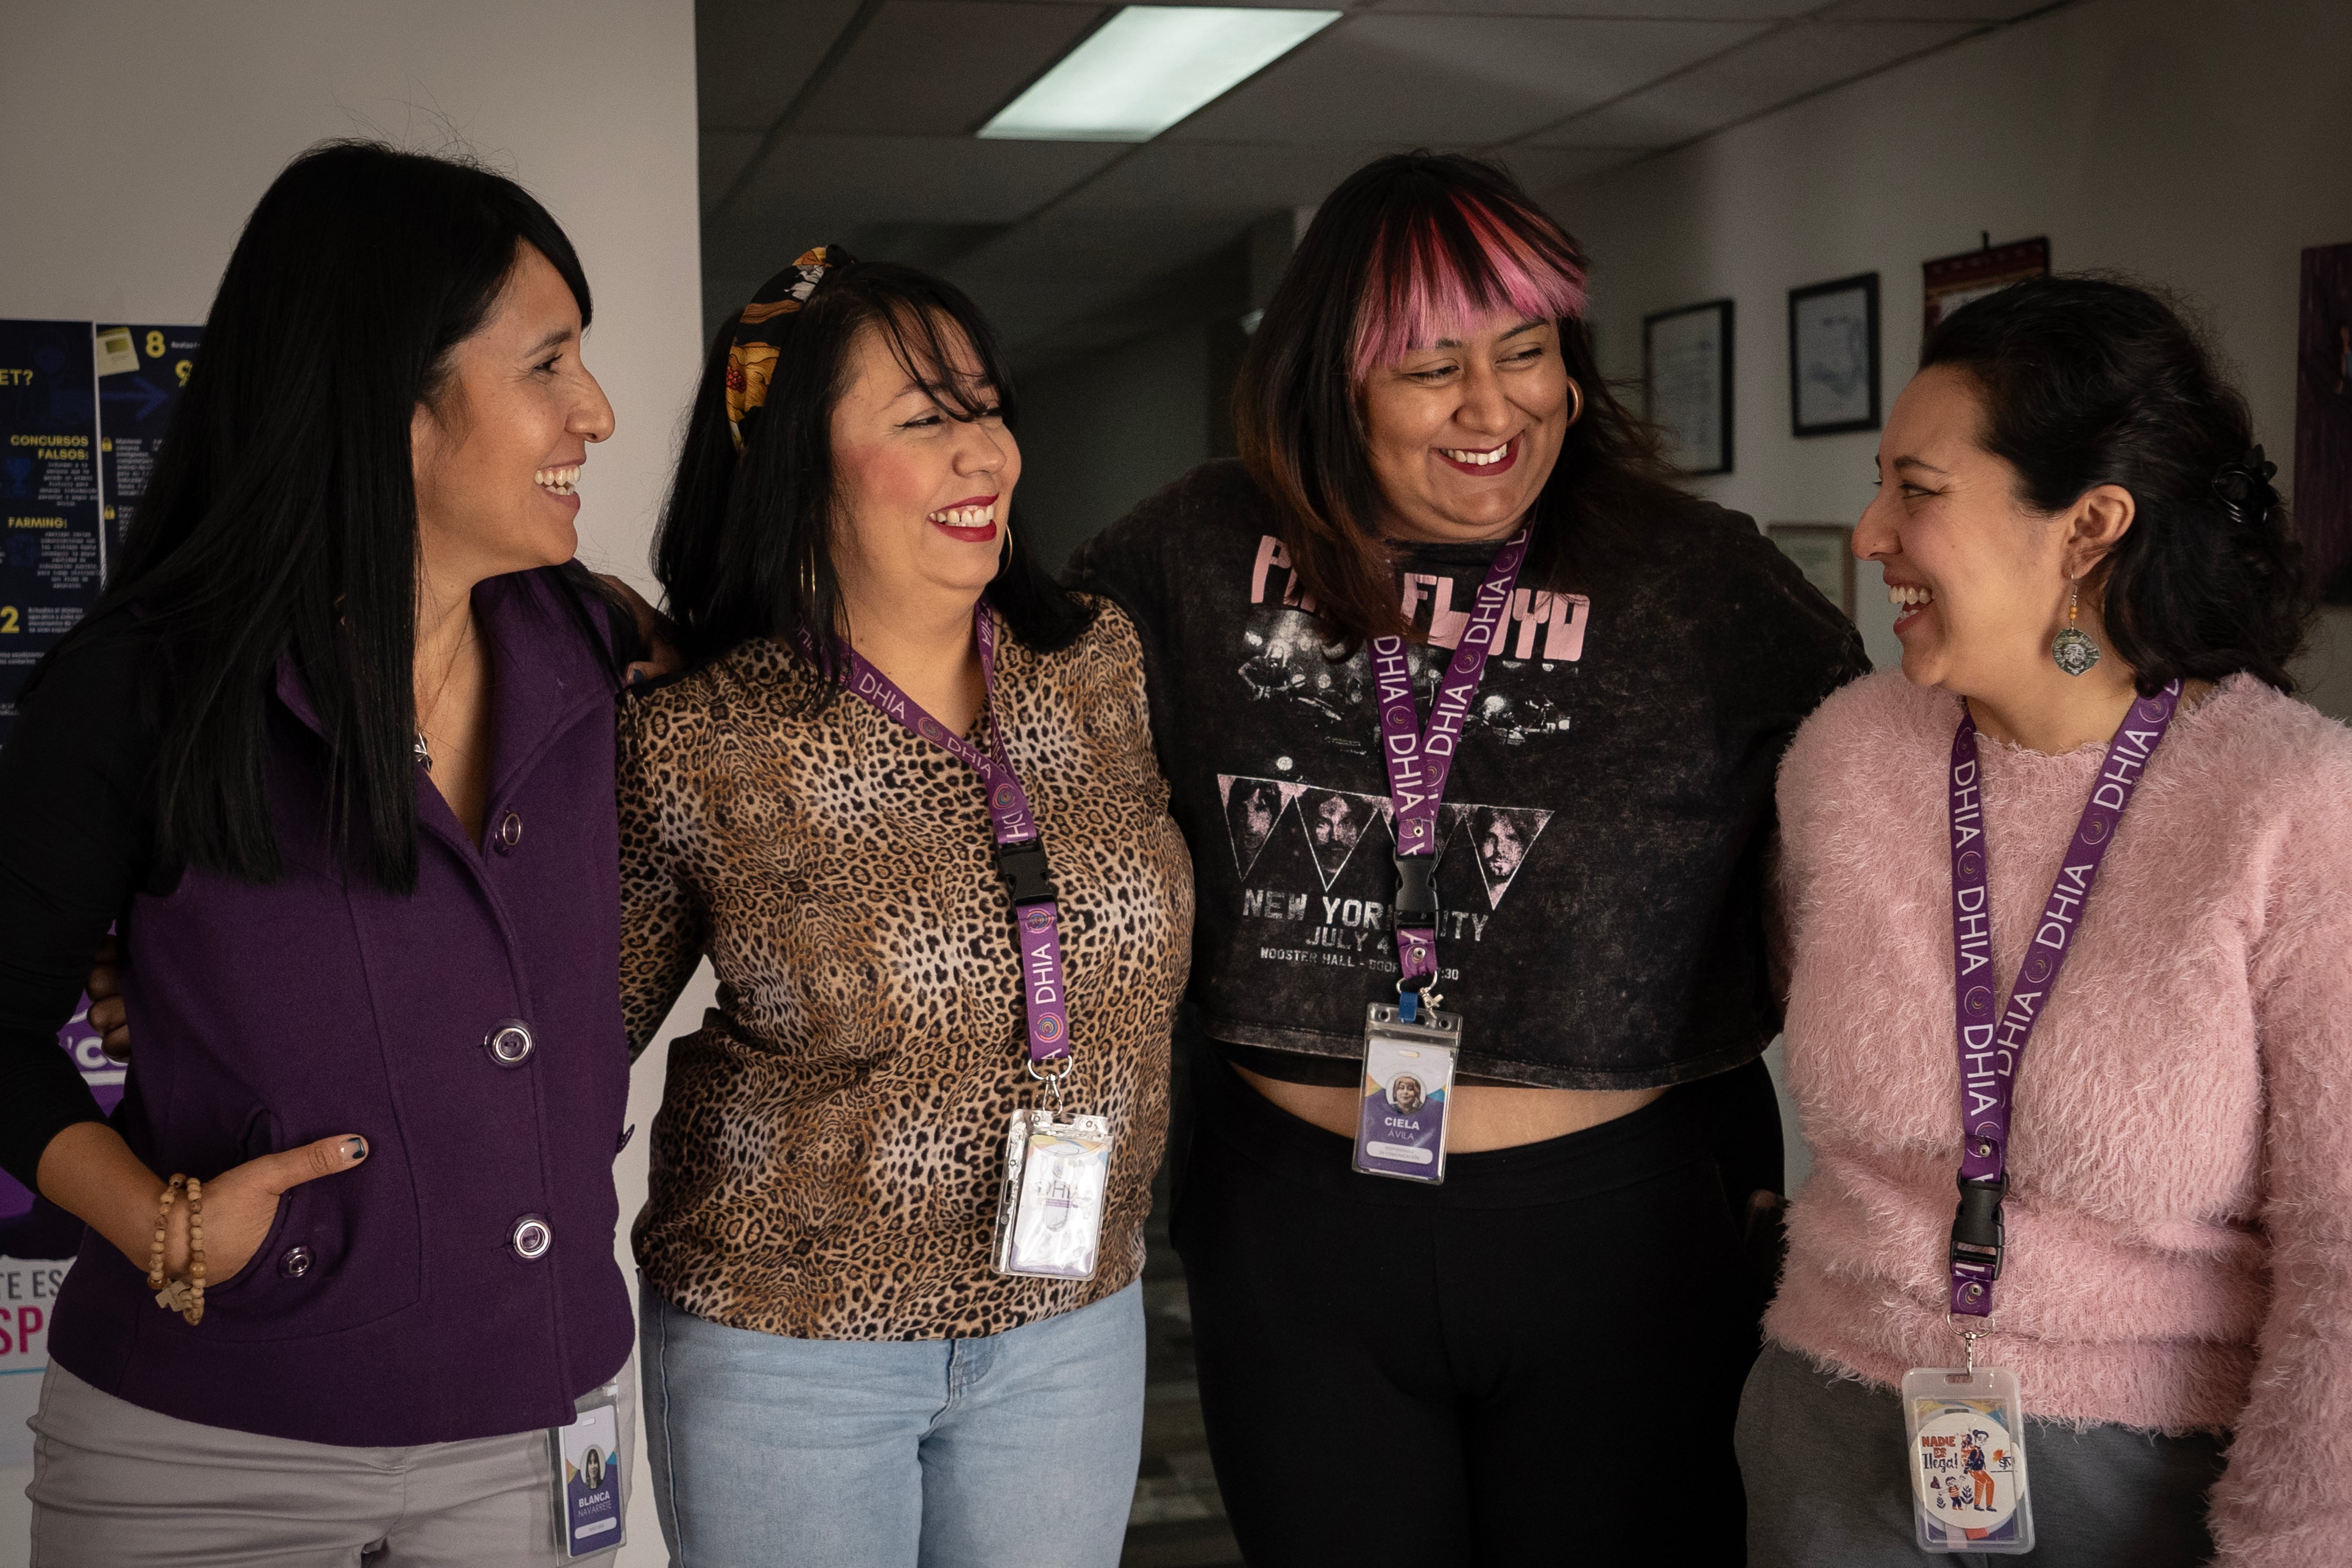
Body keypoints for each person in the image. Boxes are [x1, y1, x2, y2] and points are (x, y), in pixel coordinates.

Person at [1065, 151, 1865, 1563]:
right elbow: (986, 704)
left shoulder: (1696, 577)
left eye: (1529, 352)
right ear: (1335, 382)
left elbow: (1912, 775)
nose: (1495, 409)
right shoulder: (1191, 550)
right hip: (1297, 1225)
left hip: (1617, 1232)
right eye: (1432, 369)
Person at [0, 142, 646, 1562]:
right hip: (202, 1463)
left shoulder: (598, 654)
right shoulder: (143, 693)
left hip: (534, 1439)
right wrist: (157, 1219)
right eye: (548, 365)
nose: (593, 411)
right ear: (390, 401)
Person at [1742, 276, 2346, 1567]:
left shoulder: (2296, 803)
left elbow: (2346, 1254)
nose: (1867, 534)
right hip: (1833, 1444)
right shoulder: (1847, 759)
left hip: (2147, 1484)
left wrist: (2303, 1542)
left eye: (1918, 490)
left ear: (2088, 528)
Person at [620, 249, 1193, 1566]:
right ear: (793, 465)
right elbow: (553, 1028)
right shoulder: (701, 734)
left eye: (985, 405)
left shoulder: (1094, 664)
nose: (982, 452)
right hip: (790, 1342)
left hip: (1073, 1312)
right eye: (924, 420)